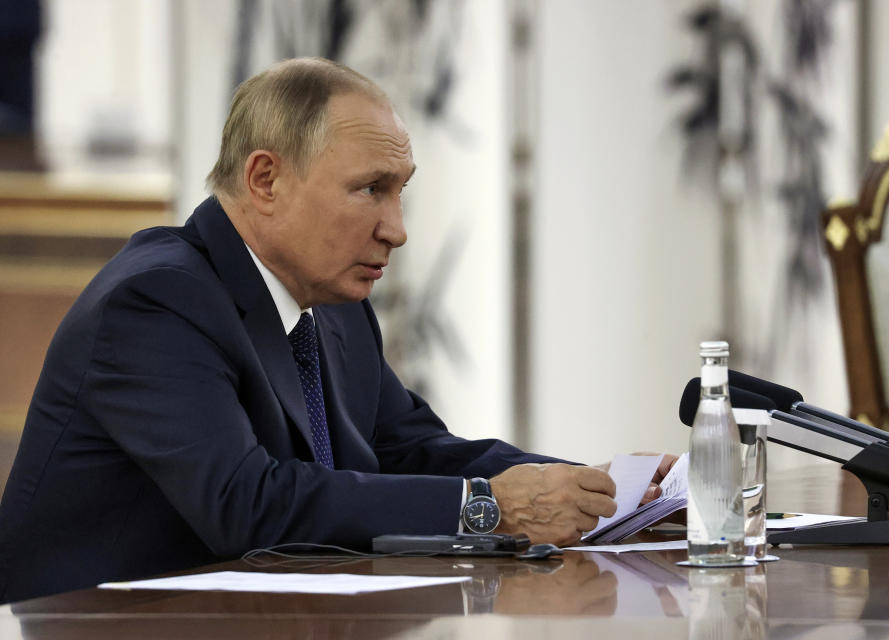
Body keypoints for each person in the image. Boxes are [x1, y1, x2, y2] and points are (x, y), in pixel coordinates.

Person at [0, 58, 675, 603]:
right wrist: (488, 509)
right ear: (265, 178)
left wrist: (603, 493)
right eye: (370, 189)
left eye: (400, 190)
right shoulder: (157, 300)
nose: (397, 229)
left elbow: (411, 449)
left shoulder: (336, 305)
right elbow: (247, 504)